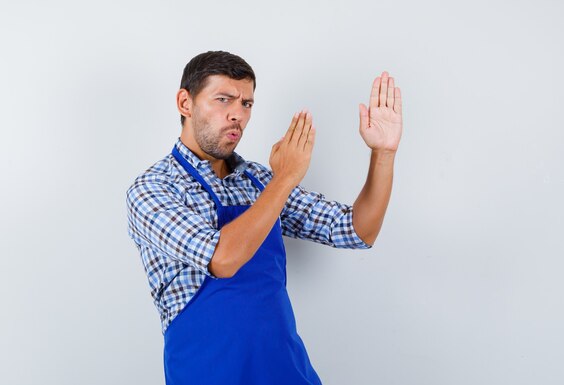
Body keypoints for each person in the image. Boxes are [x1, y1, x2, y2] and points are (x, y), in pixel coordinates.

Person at [125, 50, 402, 385]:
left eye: (247, 104)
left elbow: (358, 230)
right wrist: (285, 178)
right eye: (223, 99)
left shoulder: (259, 180)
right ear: (186, 102)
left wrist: (383, 153)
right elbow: (223, 259)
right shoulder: (153, 189)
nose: (237, 115)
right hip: (208, 374)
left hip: (285, 370)